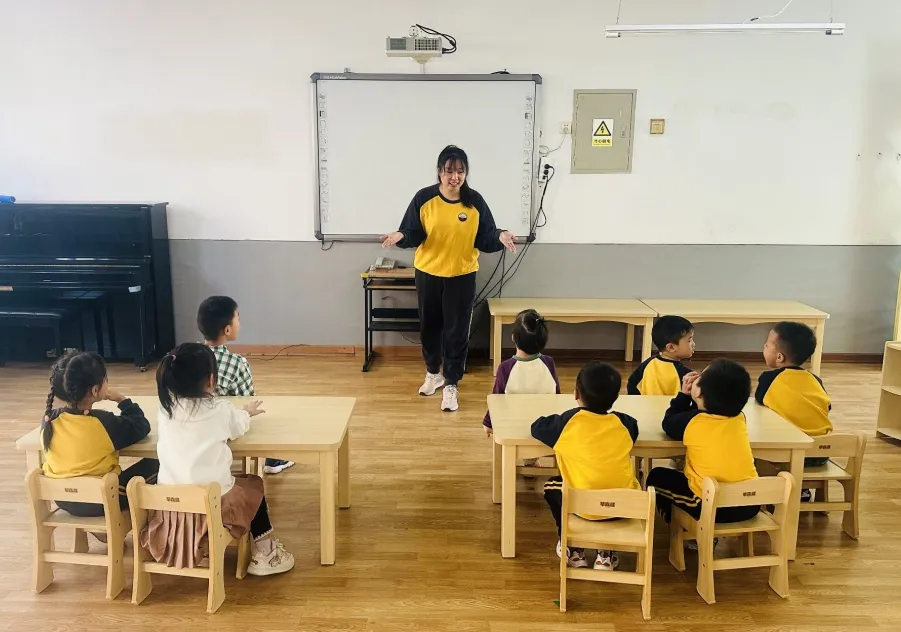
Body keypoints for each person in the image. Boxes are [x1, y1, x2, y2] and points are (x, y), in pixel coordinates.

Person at [381, 145, 517, 413]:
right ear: (439, 172)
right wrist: (401, 236)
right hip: (428, 272)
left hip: (461, 275)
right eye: (449, 171)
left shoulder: (474, 201)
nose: (454, 177)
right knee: (429, 328)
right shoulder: (424, 198)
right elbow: (413, 231)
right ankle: (433, 373)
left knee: (456, 331)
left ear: (466, 173)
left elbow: (486, 236)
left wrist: (500, 236)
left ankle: (452, 383)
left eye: (460, 171)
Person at [143, 342, 295, 575]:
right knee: (254, 485)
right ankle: (265, 552)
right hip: (212, 504)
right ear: (212, 380)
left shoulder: (165, 410)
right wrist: (247, 411)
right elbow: (239, 426)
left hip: (170, 506)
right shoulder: (220, 412)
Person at [531, 361, 640, 570]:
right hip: (624, 505)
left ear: (576, 394)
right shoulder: (625, 424)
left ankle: (572, 545)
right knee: (612, 487)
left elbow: (537, 427)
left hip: (582, 506)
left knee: (552, 486)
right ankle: (606, 553)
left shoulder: (567, 422)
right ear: (615, 398)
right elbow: (634, 427)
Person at [40, 350, 158, 518]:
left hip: (62, 498)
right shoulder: (103, 422)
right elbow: (141, 426)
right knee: (156, 464)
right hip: (101, 500)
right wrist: (122, 400)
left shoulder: (48, 419)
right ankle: (150, 525)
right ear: (95, 390)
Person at [646, 359, 760, 527]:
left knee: (655, 477)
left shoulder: (692, 421)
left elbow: (669, 423)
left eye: (701, 376)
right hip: (750, 503)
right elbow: (704, 412)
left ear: (698, 393)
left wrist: (683, 396)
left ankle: (684, 527)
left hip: (709, 505)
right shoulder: (740, 418)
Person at [198, 295, 293, 475]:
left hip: (191, 428)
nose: (239, 324)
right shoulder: (237, 363)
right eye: (238, 319)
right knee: (257, 410)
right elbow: (248, 401)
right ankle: (272, 458)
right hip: (224, 427)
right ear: (227, 330)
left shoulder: (185, 357)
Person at [757, 321, 831, 500]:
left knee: (757, 450)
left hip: (787, 454)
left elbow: (760, 403)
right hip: (820, 452)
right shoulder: (815, 380)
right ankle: (802, 489)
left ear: (780, 357)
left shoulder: (769, 379)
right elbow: (827, 407)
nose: (764, 347)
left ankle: (773, 491)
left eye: (767, 344)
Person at [483, 309, 561, 436]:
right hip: (546, 429)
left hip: (514, 430)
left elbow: (496, 400)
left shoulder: (505, 367)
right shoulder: (549, 362)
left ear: (513, 337)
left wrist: (488, 422)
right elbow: (557, 397)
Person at [627, 315, 695, 395]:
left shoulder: (648, 363)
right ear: (671, 347)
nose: (693, 344)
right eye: (689, 340)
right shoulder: (686, 375)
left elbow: (632, 383)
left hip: (645, 407)